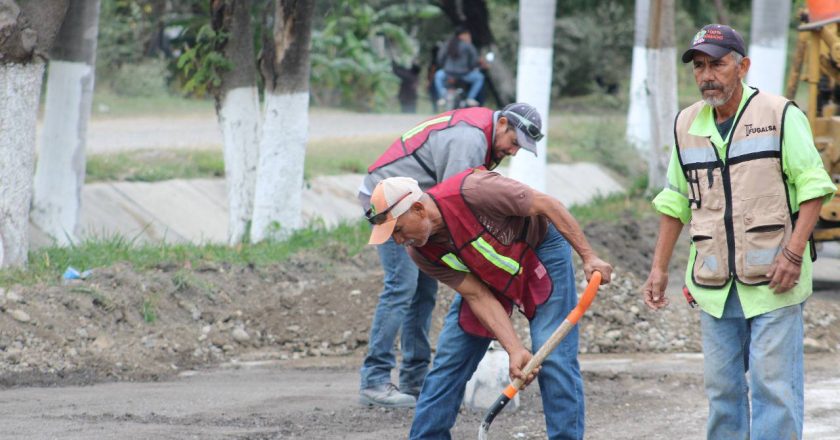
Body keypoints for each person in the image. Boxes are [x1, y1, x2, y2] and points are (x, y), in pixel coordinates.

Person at [642, 24, 837, 439]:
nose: (707, 75)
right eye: (699, 66)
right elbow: (675, 200)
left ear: (742, 66)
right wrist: (659, 269)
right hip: (713, 285)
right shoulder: (686, 126)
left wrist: (793, 254)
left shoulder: (779, 114)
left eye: (717, 64)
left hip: (774, 279)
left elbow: (815, 187)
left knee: (774, 391)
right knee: (723, 393)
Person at [365, 170, 613, 439]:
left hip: (540, 252)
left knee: (553, 356)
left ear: (418, 208)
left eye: (399, 230)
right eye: (393, 237)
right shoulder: (421, 252)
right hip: (487, 277)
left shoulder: (474, 191)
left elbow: (547, 204)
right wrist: (515, 349)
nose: (400, 242)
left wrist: (589, 256)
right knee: (450, 360)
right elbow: (477, 296)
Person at [357, 103, 546, 408]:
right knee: (401, 287)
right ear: (504, 124)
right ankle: (374, 381)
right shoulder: (469, 140)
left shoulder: (482, 135)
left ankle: (414, 381)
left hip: (415, 208)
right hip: (391, 208)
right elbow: (459, 204)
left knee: (423, 293)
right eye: (514, 143)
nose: (513, 152)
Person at [434, 26, 484, 108]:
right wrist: (471, 68)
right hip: (464, 75)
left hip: (448, 73)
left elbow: (440, 58)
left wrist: (444, 67)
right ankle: (470, 98)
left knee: (438, 75)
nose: (468, 37)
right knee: (479, 77)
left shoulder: (447, 44)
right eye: (467, 35)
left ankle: (442, 96)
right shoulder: (468, 45)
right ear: (462, 35)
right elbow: (474, 60)